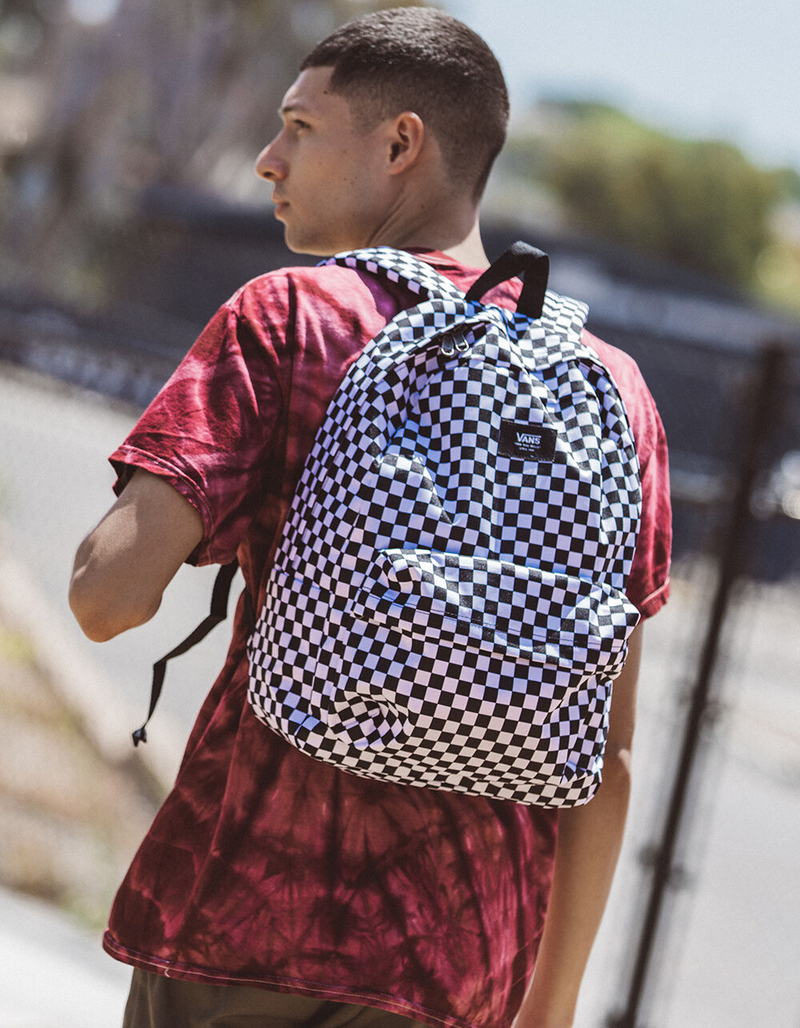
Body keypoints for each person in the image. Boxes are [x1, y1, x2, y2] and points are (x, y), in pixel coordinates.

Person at [69, 8, 671, 1028]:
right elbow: (603, 751)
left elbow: (106, 599)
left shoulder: (290, 318)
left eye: (299, 127)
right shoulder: (610, 391)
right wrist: (551, 1000)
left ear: (400, 143)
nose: (268, 160)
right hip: (469, 967)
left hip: (247, 939)